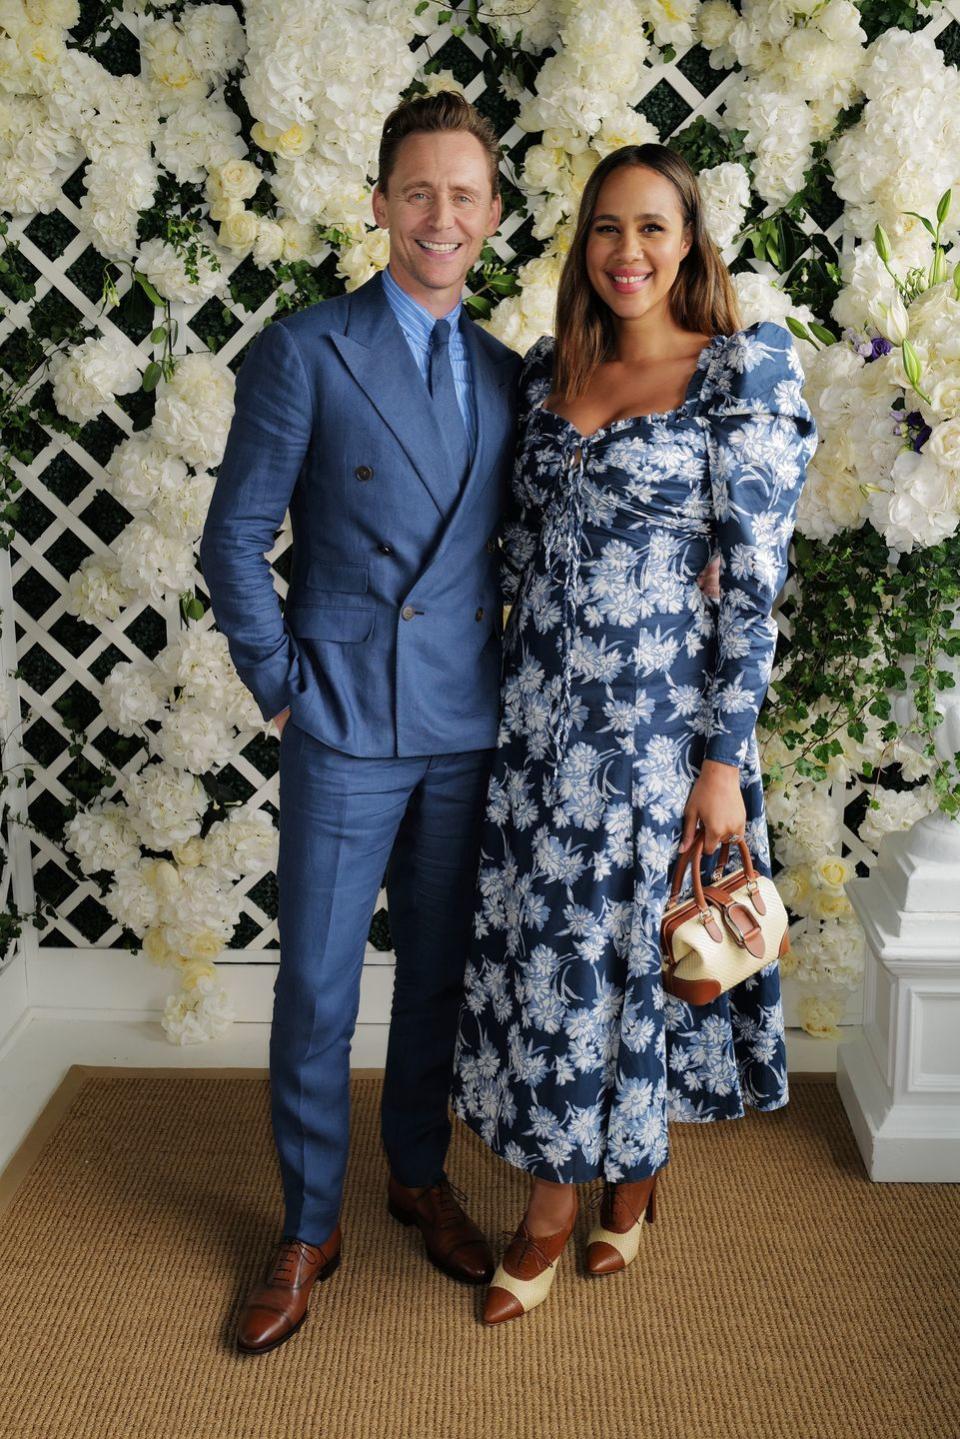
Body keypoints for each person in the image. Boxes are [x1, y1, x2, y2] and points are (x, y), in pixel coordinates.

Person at [449, 142, 818, 1325]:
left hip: (662, 739)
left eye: (654, 228)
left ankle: (574, 1198)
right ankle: (608, 1179)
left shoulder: (737, 375)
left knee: (632, 963)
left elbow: (755, 584)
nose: (629, 253)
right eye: (608, 229)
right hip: (541, 730)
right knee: (559, 962)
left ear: (692, 242)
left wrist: (722, 760)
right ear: (583, 244)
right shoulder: (550, 373)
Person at [200, 92, 523, 1354]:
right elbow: (235, 536)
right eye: (419, 191)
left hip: (466, 719)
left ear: (492, 215)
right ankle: (307, 1218)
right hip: (338, 719)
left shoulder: (508, 372)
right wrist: (280, 680)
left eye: (465, 194)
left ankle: (416, 1173)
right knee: (319, 985)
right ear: (380, 203)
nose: (441, 215)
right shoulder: (306, 350)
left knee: (438, 972)